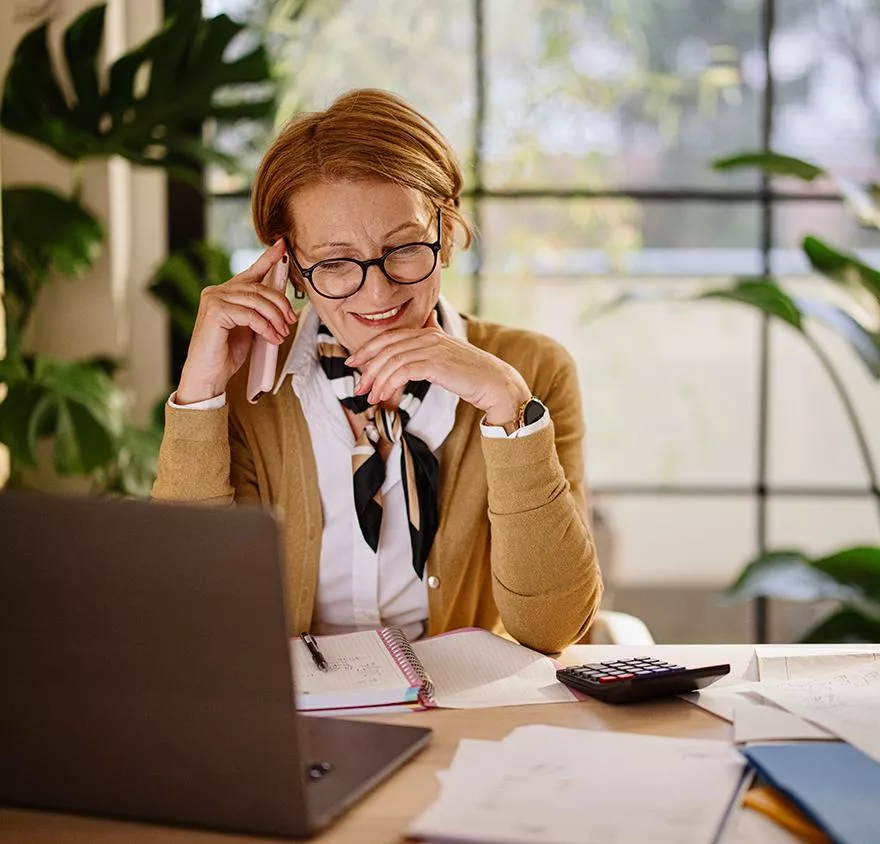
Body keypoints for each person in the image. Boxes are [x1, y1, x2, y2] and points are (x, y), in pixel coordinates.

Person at [152, 88, 602, 654]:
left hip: (459, 715)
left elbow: (556, 627)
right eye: (337, 262)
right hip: (292, 717)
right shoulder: (247, 387)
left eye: (406, 248)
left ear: (447, 236)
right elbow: (190, 619)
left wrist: (508, 405)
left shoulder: (535, 370)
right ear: (289, 266)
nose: (379, 291)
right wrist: (199, 399)